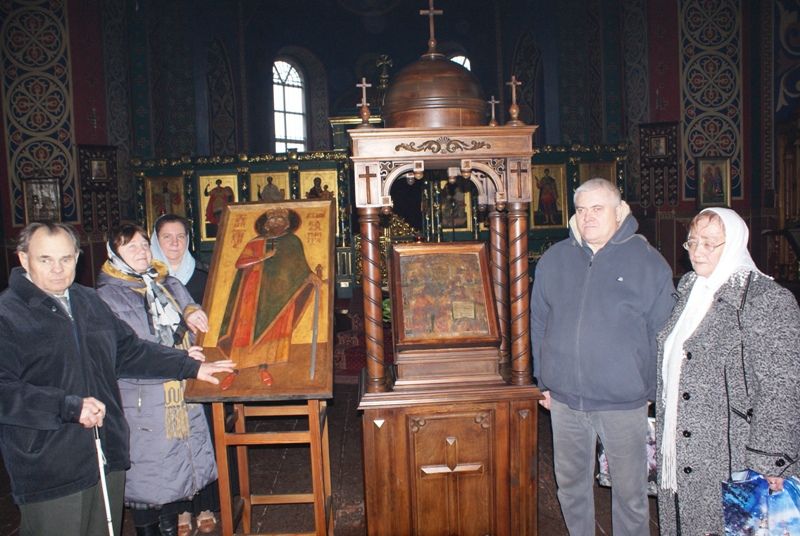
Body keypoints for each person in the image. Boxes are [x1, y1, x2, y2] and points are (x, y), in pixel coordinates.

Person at [0, 222, 234, 536]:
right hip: (50, 463)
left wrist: (189, 366)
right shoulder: (8, 314)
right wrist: (68, 407)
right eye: (46, 259)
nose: (57, 269)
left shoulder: (87, 301)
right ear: (23, 258)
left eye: (66, 259)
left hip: (105, 452)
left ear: (77, 258)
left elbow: (129, 351)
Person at [530, 178, 675, 535]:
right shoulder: (555, 259)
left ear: (620, 211)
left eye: (598, 209)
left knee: (630, 494)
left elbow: (663, 333)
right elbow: (539, 321)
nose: (588, 217)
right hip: (565, 400)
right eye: (581, 210)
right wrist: (543, 379)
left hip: (623, 401)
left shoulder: (648, 263)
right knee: (570, 488)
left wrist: (652, 391)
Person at [657, 208, 800, 534]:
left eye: (709, 243)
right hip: (683, 446)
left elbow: (781, 386)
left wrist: (771, 459)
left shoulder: (766, 300)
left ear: (734, 243)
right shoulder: (691, 291)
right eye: (692, 241)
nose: (697, 251)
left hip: (733, 453)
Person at [96, 224, 220, 536]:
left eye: (143, 245)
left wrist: (192, 315)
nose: (141, 252)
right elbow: (129, 350)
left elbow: (187, 318)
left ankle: (172, 524)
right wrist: (179, 355)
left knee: (173, 472)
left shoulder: (165, 282)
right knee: (146, 476)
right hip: (141, 398)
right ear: (114, 254)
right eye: (130, 247)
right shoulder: (106, 296)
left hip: (177, 390)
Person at [150, 214, 220, 535]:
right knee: (173, 441)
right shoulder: (148, 281)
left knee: (203, 436)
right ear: (156, 241)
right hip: (166, 374)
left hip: (201, 367)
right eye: (167, 237)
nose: (174, 243)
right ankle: (179, 509)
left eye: (180, 236)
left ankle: (205, 505)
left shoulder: (204, 277)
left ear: (189, 241)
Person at [217, 207, 322, 372]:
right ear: (266, 225)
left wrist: (311, 275)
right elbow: (240, 263)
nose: (276, 222)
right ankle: (237, 366)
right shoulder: (255, 242)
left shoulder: (293, 241)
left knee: (278, 325)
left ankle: (265, 365)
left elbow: (299, 266)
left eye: (280, 220)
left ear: (287, 224)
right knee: (246, 326)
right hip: (253, 290)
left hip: (283, 292)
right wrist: (263, 257)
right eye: (272, 220)